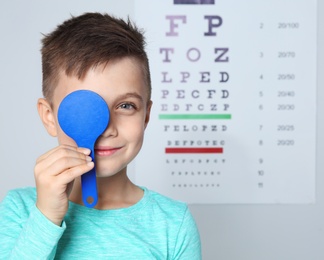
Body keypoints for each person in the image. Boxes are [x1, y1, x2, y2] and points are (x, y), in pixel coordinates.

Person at [0, 12, 201, 259]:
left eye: (125, 106)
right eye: (83, 110)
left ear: (146, 116)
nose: (106, 129)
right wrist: (46, 218)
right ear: (49, 117)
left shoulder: (173, 224)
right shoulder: (21, 210)